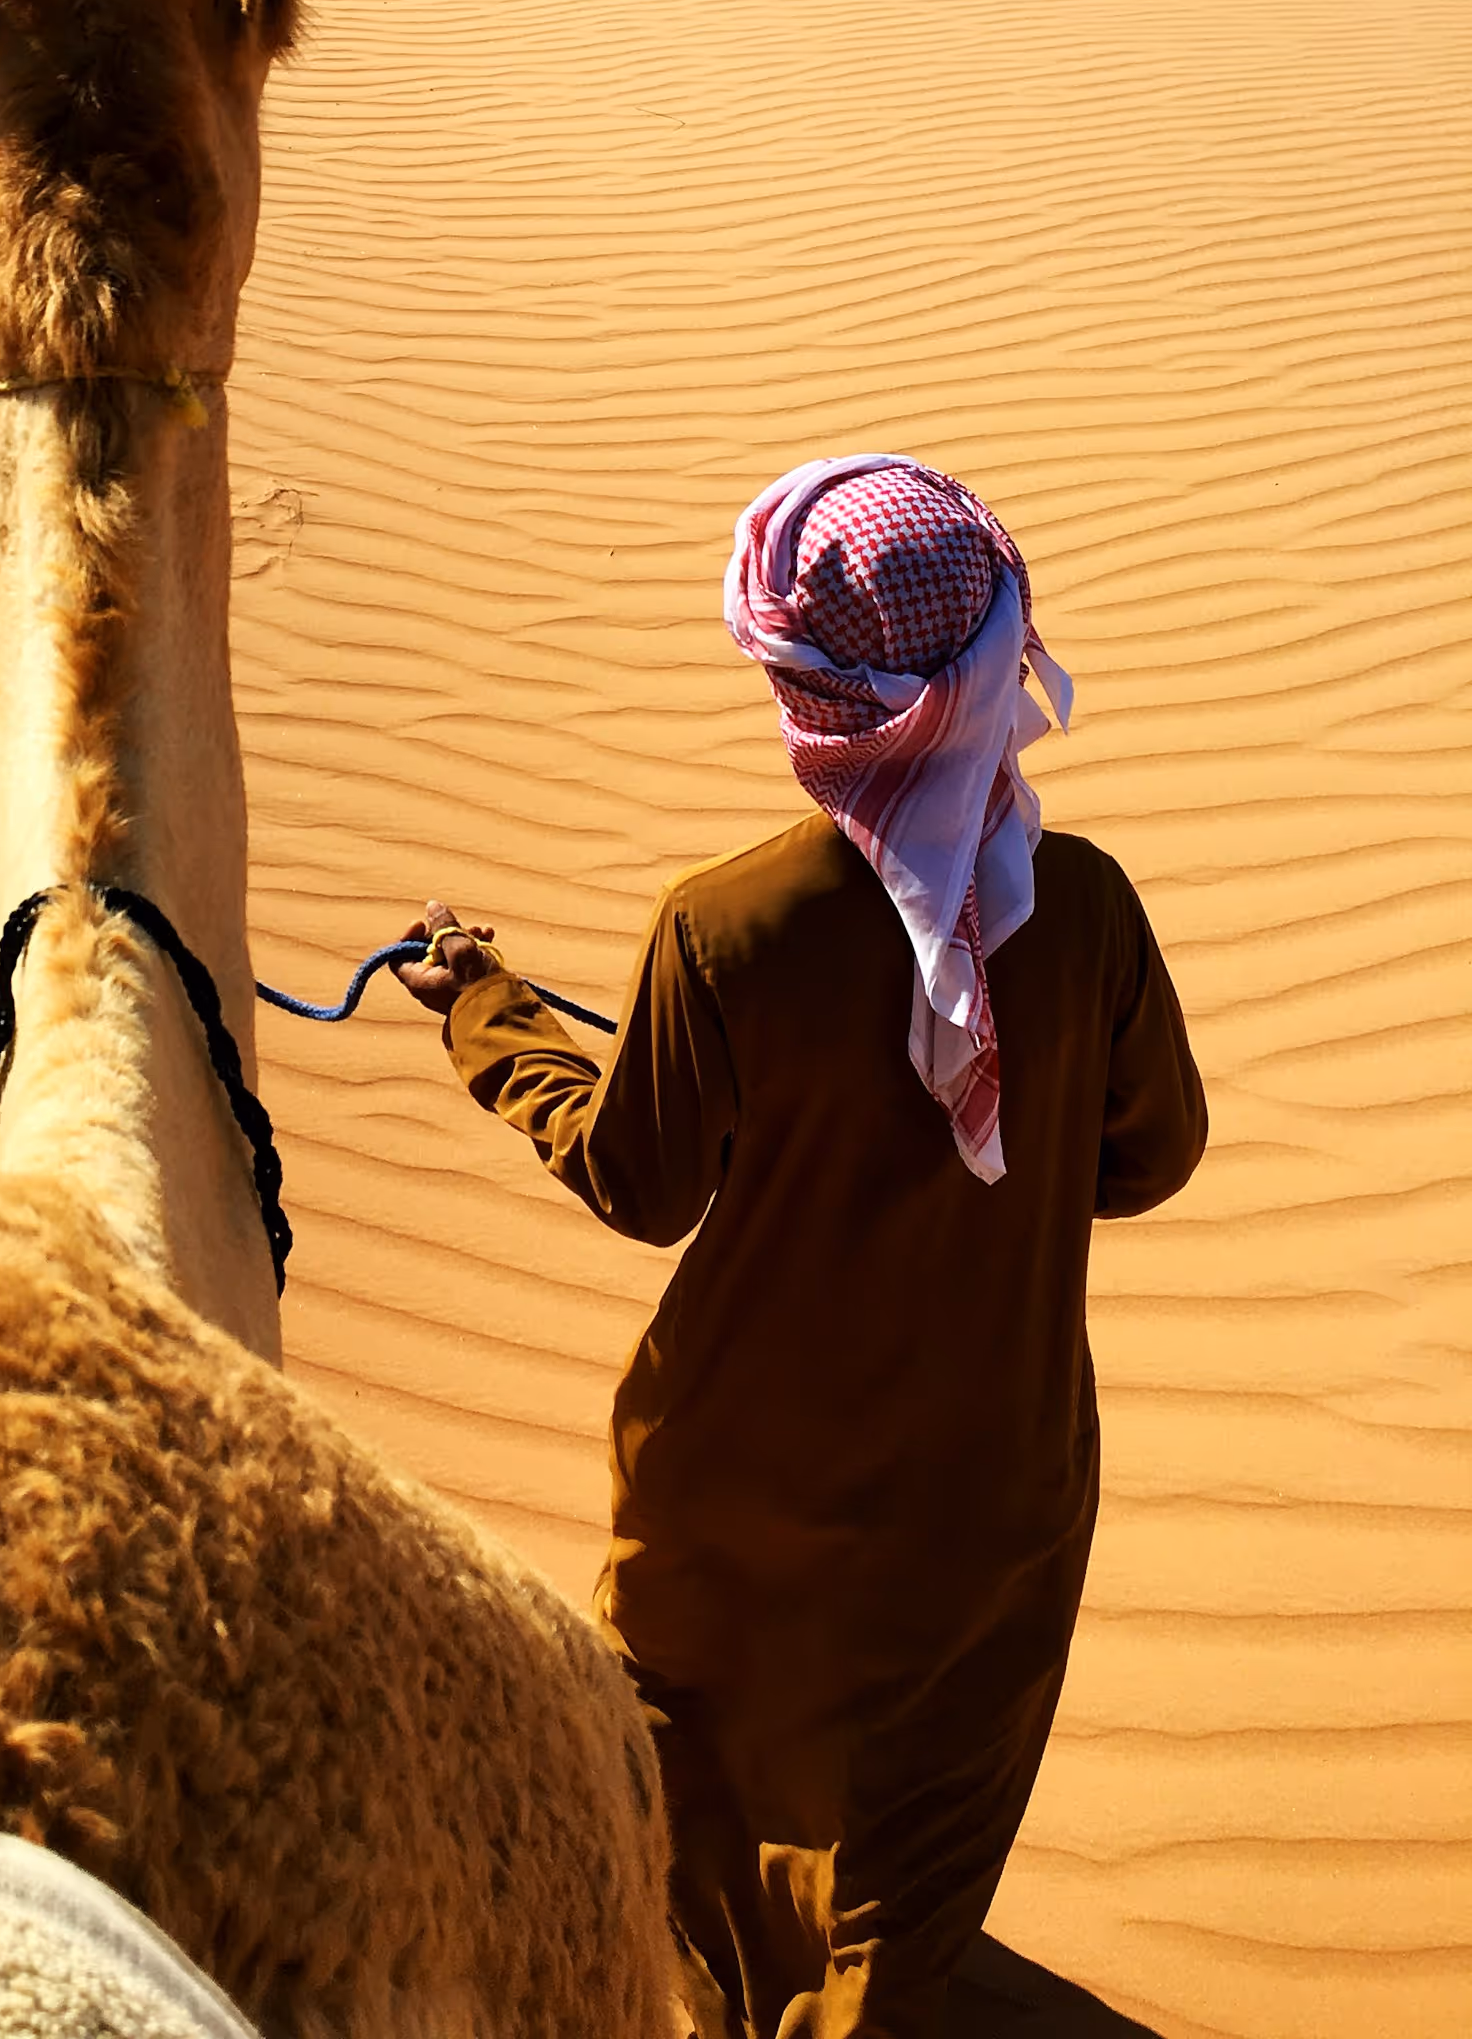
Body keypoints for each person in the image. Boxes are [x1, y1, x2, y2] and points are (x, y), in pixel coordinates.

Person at [398, 454, 1207, 2039]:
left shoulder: (726, 928)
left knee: (675, 1796)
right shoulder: (1089, 911)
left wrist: (490, 1016)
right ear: (989, 664)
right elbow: (1154, 1156)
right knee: (916, 1850)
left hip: (735, 1500)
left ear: (818, 712)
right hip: (990, 1496)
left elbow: (639, 1180)